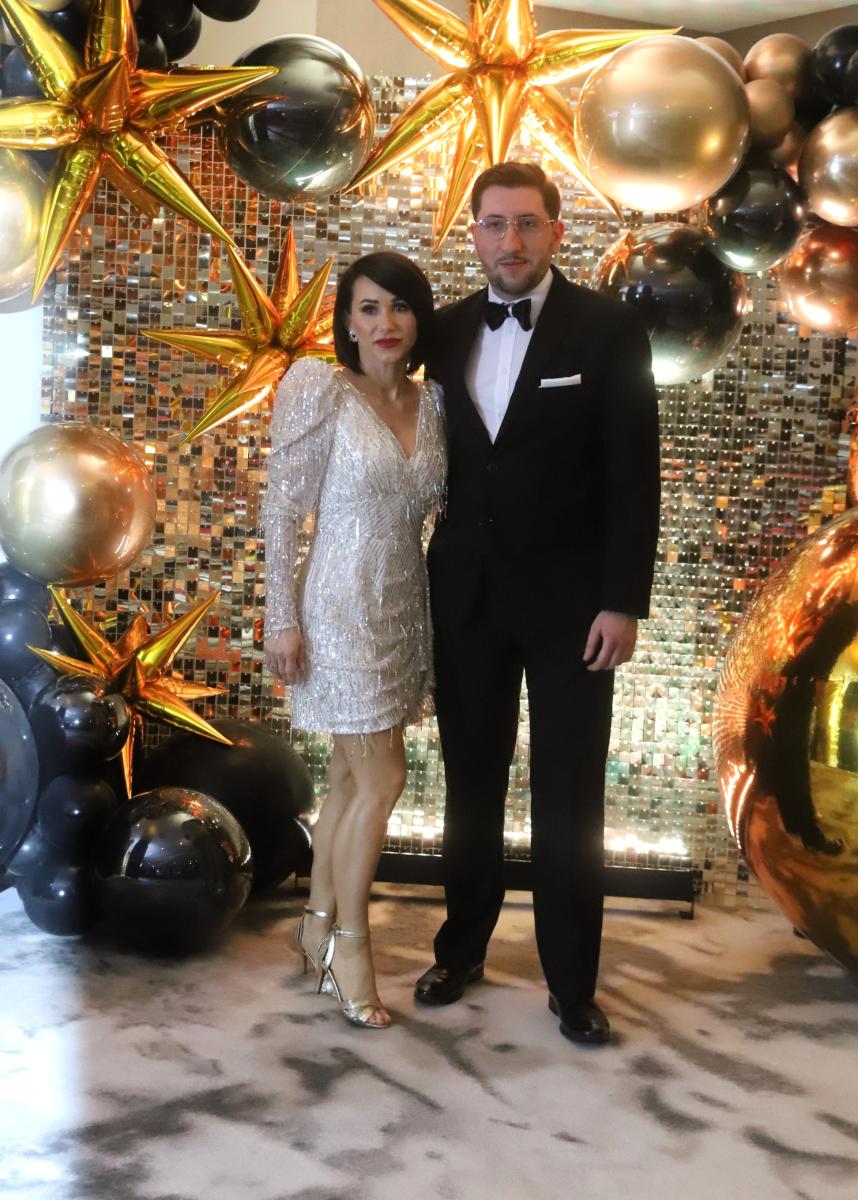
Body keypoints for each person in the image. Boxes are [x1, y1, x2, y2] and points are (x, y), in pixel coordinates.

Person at [416, 162, 660, 1045]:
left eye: (527, 223)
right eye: (494, 224)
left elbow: (635, 474)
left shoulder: (608, 330)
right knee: (469, 787)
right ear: (474, 234)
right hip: (467, 599)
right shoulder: (443, 331)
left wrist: (623, 600)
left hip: (574, 610)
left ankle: (572, 983)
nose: (510, 241)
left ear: (556, 231)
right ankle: (461, 949)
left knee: (569, 797)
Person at [262, 251, 445, 1029]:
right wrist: (281, 617)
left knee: (347, 780)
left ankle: (314, 926)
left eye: (400, 306)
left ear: (419, 317)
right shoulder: (321, 389)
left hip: (403, 607)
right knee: (382, 781)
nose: (386, 323)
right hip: (337, 606)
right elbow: (281, 511)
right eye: (369, 308)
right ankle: (350, 947)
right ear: (347, 321)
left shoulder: (435, 400)